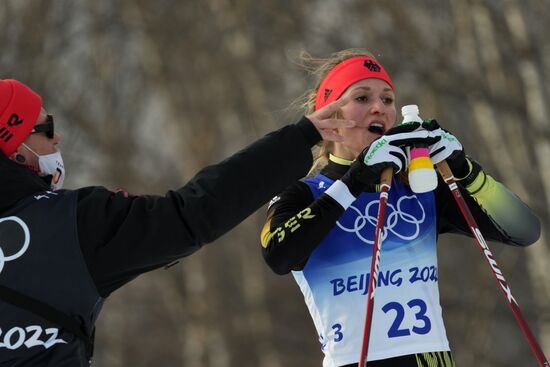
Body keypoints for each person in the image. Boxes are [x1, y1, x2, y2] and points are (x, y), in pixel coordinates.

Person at [0, 78, 362, 367]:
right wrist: (300, 139)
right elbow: (191, 214)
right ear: (15, 147)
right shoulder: (70, 224)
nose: (57, 137)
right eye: (46, 128)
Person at [260, 49, 541, 367]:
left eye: (388, 99)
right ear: (329, 113)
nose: (379, 107)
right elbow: (278, 254)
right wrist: (356, 180)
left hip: (431, 359)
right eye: (362, 98)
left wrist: (465, 170)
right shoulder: (304, 193)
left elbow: (524, 230)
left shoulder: (418, 185)